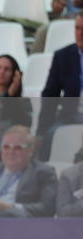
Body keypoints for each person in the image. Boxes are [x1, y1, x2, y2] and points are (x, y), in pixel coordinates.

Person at [37, 10, 83, 162]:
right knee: (50, 137)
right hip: (70, 115)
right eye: (77, 28)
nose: (80, 33)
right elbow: (50, 94)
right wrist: (42, 131)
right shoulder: (63, 56)